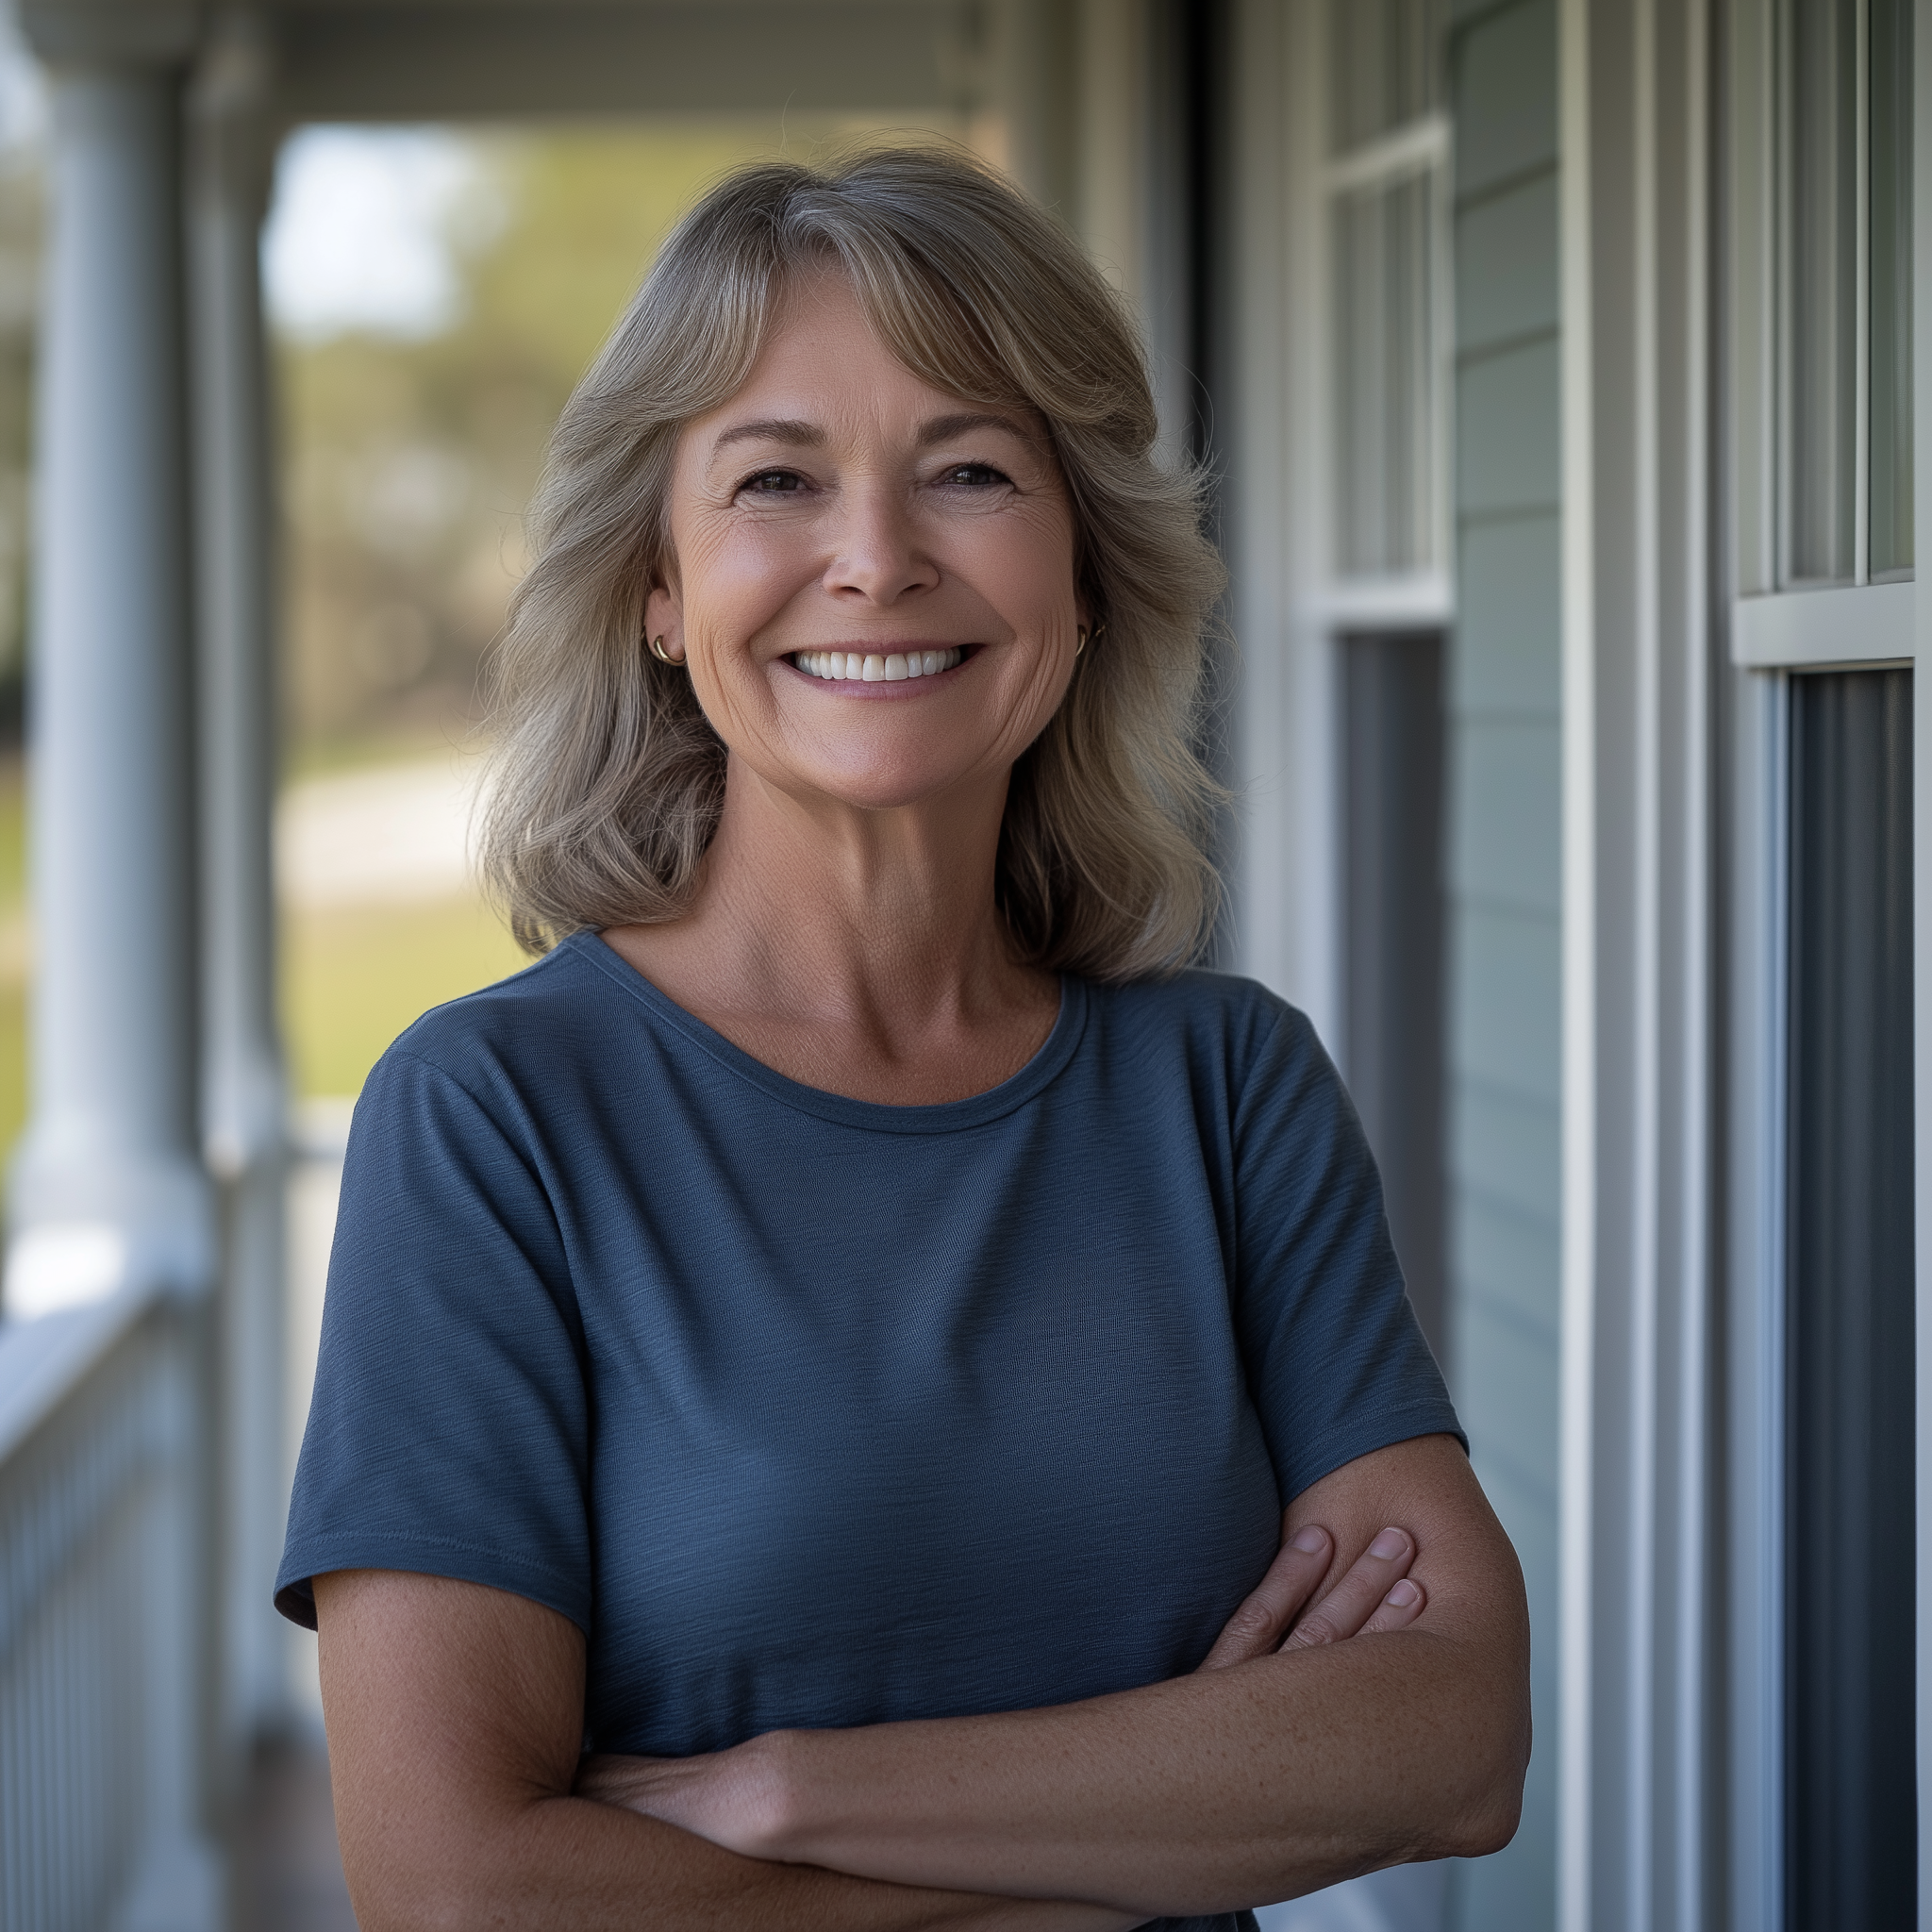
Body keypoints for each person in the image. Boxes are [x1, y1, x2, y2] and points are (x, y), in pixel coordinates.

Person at [275, 144, 1529, 1932]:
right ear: (657, 587)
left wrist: (785, 1794)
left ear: (1083, 578)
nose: (875, 559)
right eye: (776, 478)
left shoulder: (1228, 1093)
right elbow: (456, 1884)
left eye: (970, 472)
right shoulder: (498, 1119)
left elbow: (1453, 1741)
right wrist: (1164, 1815)